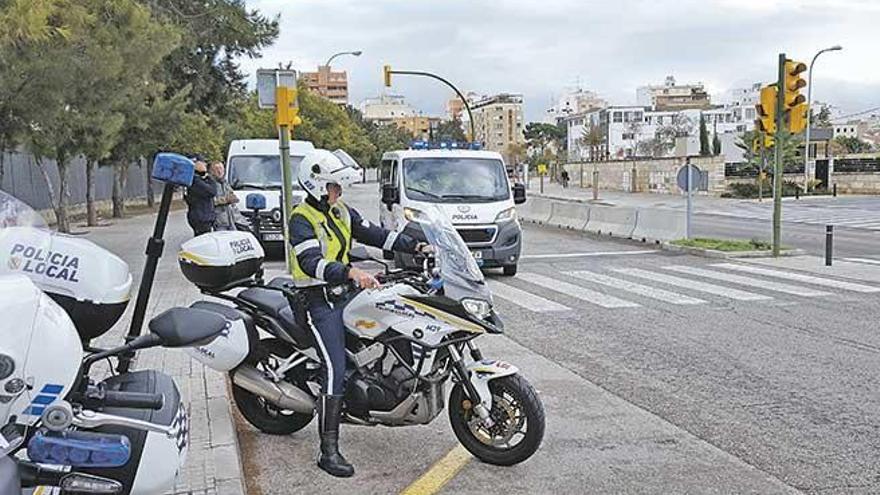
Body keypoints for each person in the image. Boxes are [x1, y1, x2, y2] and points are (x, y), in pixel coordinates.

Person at [289, 149, 431, 477]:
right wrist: (351, 273)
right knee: (334, 368)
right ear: (316, 186)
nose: (338, 192)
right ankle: (328, 450)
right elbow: (311, 263)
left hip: (346, 295)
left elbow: (377, 235)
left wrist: (418, 245)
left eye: (338, 187)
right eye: (333, 187)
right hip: (317, 301)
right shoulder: (301, 219)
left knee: (396, 323)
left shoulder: (340, 210)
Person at [184, 156, 217, 236]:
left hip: (201, 217)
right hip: (201, 218)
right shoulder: (195, 180)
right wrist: (209, 176)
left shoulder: (194, 179)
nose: (205, 164)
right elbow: (212, 191)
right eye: (203, 163)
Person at [210, 161, 240, 231]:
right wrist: (225, 200)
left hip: (231, 220)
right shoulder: (210, 184)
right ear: (212, 171)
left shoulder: (225, 183)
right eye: (216, 169)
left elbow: (231, 194)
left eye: (221, 168)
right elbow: (210, 201)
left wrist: (234, 198)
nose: (219, 171)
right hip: (218, 221)